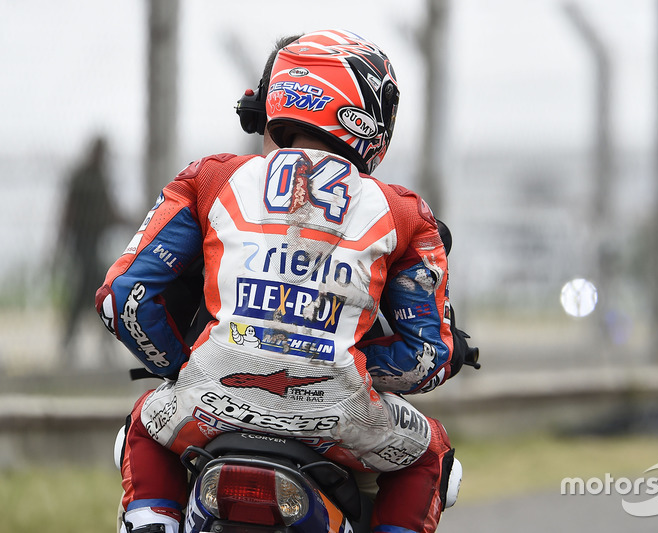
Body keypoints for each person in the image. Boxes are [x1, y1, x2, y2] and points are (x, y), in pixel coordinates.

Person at [97, 30, 472, 533]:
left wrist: (189, 363)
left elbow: (123, 300)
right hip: (340, 417)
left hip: (209, 399)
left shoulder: (209, 178)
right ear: (361, 112)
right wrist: (346, 359)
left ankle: (152, 523)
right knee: (434, 458)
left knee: (142, 428)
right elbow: (428, 358)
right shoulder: (406, 212)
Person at [58, 134, 123, 364]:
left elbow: (108, 211)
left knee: (87, 291)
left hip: (94, 242)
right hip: (82, 242)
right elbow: (69, 211)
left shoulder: (99, 178)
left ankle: (77, 343)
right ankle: (98, 344)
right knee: (96, 288)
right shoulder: (82, 178)